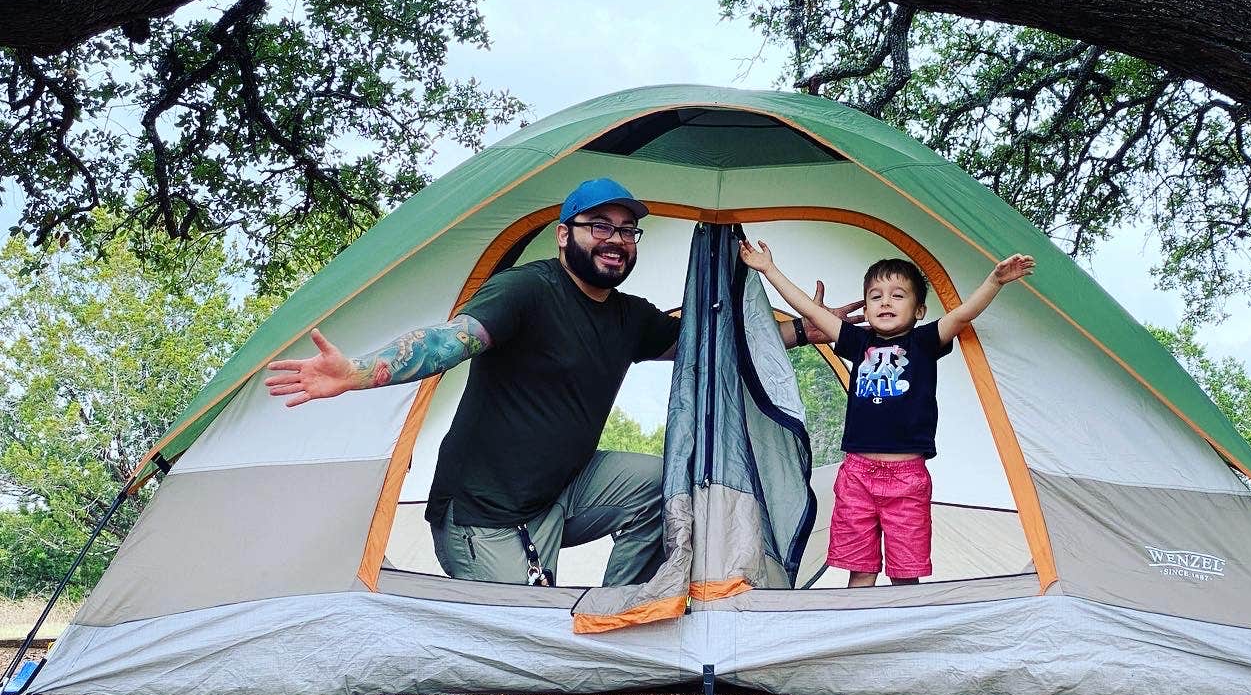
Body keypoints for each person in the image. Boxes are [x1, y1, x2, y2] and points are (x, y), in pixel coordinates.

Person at [265, 178, 858, 588]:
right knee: (523, 641)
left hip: (566, 491)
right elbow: (452, 340)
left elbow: (708, 339)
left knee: (668, 481)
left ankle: (616, 609)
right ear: (564, 234)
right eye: (599, 225)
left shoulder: (627, 318)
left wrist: (810, 331)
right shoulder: (528, 290)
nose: (615, 239)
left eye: (627, 231)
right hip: (486, 516)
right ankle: (544, 603)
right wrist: (360, 372)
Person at [739, 241, 1034, 587]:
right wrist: (770, 269)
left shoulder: (924, 342)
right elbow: (812, 311)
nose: (885, 302)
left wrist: (994, 282)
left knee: (905, 574)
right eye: (876, 296)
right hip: (857, 476)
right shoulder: (857, 343)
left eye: (897, 295)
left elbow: (962, 315)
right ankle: (857, 634)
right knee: (860, 570)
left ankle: (901, 636)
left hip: (907, 478)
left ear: (919, 310)